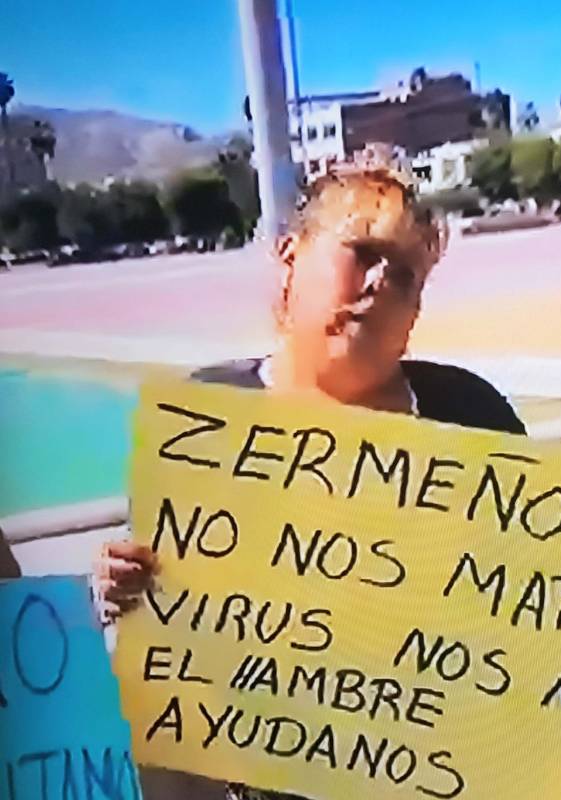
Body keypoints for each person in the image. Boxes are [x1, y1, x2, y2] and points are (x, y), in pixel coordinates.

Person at [94, 167, 524, 800]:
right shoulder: (203, 420)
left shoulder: (470, 413)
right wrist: (116, 590)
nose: (379, 283)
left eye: (405, 276)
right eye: (363, 253)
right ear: (291, 258)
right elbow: (169, 616)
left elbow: (541, 598)